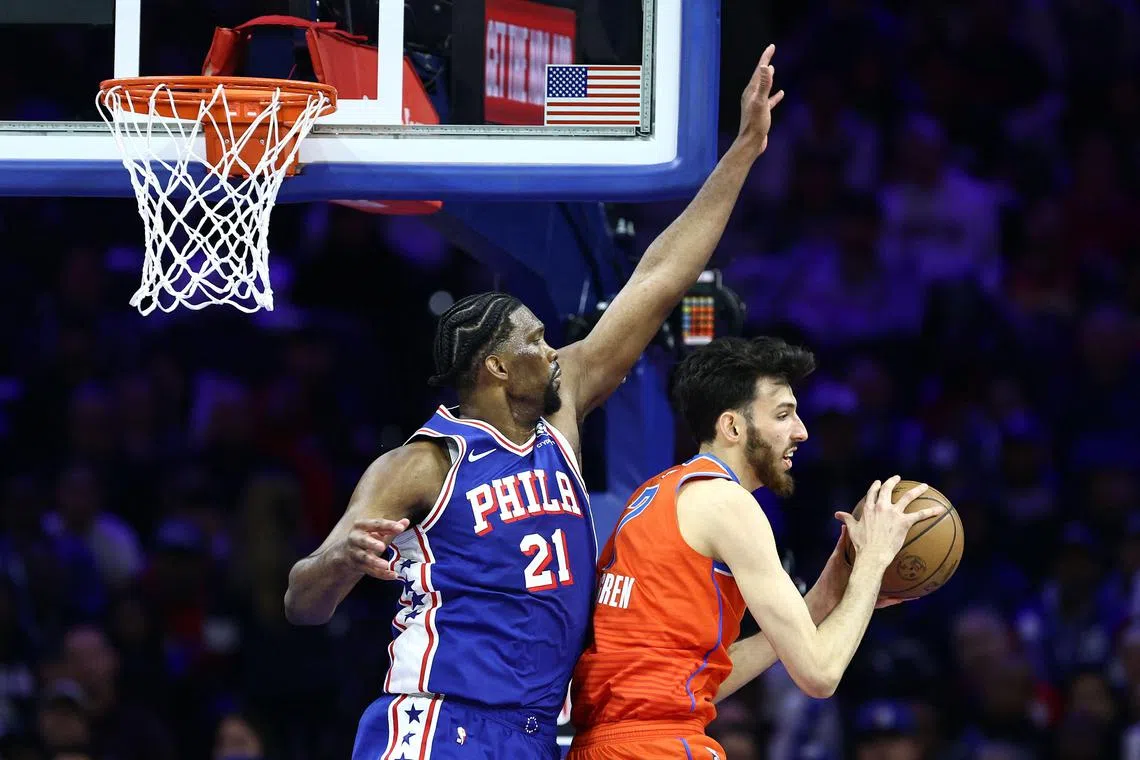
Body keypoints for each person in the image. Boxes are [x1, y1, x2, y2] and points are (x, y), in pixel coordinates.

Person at [283, 45, 786, 760]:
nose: (554, 351)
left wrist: (740, 153)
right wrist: (340, 558)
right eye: (536, 340)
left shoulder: (561, 413)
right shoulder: (423, 463)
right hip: (439, 722)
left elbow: (658, 280)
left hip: (532, 734)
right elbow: (302, 603)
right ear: (495, 365)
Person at [567, 336, 940, 759]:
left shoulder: (655, 494)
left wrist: (830, 594)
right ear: (732, 427)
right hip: (659, 747)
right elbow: (820, 674)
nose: (801, 431)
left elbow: (696, 683)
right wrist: (873, 560)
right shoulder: (728, 503)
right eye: (783, 414)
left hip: (602, 745)